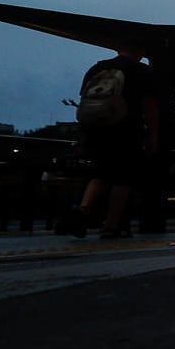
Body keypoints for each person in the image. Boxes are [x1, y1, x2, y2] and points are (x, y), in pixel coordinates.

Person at [59, 39, 159, 239]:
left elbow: (86, 100)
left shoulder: (98, 68)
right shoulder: (141, 71)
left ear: (118, 48)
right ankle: (112, 225)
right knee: (123, 178)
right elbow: (150, 106)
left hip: (95, 129)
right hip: (125, 128)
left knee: (101, 174)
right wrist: (154, 135)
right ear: (141, 50)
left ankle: (84, 209)